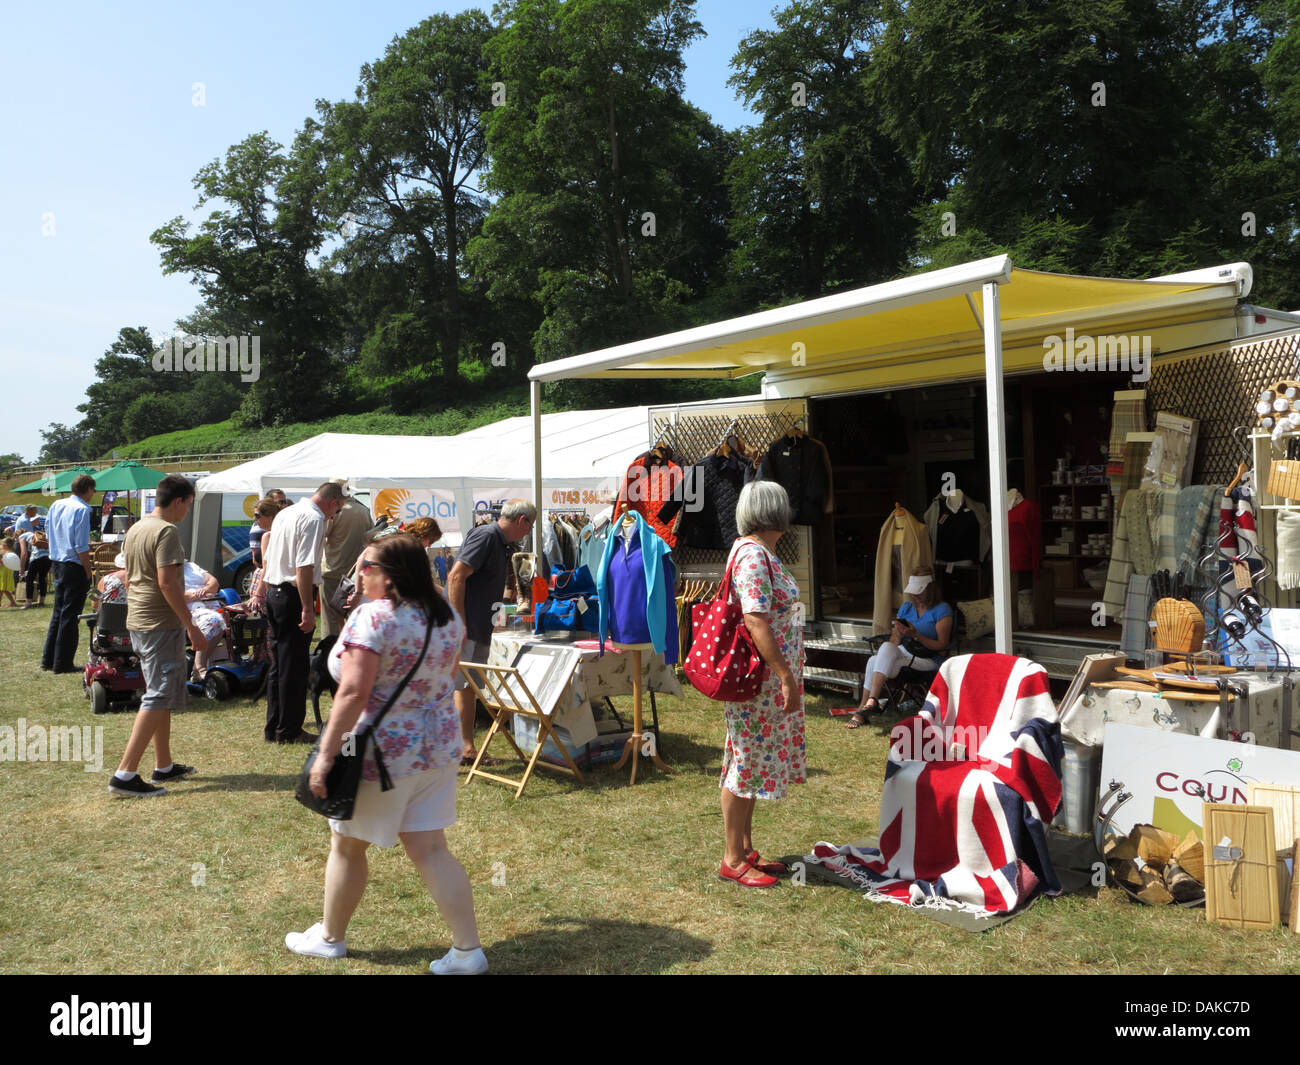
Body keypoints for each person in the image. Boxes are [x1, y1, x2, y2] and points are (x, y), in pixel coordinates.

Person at [285, 534, 487, 974]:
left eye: (366, 566)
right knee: (431, 849)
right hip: (436, 747)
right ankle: (467, 950)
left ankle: (330, 938)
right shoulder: (446, 615)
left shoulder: (373, 617)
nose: (358, 574)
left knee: (346, 845)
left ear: (390, 575)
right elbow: (450, 672)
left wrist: (326, 756)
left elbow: (353, 693)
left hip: (380, 752)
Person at [717, 481, 807, 888]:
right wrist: (785, 675)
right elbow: (756, 621)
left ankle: (745, 849)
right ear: (774, 513)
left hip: (763, 680)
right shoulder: (754, 555)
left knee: (749, 762)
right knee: (744, 763)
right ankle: (732, 858)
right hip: (761, 681)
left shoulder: (756, 551)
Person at [108, 474, 209, 798]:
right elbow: (167, 583)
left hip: (140, 620)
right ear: (178, 501)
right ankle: (125, 774)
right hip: (159, 624)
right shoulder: (167, 531)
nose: (187, 511)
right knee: (158, 694)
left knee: (159, 691)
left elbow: (127, 576)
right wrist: (192, 626)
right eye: (188, 505)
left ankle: (163, 764)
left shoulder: (137, 528)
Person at [446, 499, 536, 765]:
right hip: (465, 628)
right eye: (529, 526)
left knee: (468, 687)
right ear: (522, 520)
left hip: (477, 627)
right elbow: (456, 576)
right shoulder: (486, 536)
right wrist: (458, 623)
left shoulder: (500, 542)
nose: (529, 532)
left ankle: (465, 749)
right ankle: (450, 750)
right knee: (454, 687)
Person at [261, 482, 346, 744]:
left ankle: (275, 726)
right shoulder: (313, 518)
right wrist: (308, 608)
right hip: (291, 595)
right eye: (338, 510)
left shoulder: (286, 512)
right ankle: (289, 730)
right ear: (333, 503)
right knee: (295, 666)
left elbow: (271, 558)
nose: (335, 516)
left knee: (280, 664)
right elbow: (304, 566)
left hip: (275, 592)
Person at [846, 566, 953, 729]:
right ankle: (869, 703)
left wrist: (916, 635)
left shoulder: (942, 609)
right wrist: (899, 633)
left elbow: (942, 645)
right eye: (913, 592)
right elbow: (894, 642)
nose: (915, 595)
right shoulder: (907, 607)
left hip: (928, 658)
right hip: (906, 653)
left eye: (919, 592)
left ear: (931, 589)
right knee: (876, 657)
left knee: (875, 661)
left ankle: (864, 709)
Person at [42, 474, 95, 673]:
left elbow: (47, 532)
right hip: (74, 565)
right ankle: (62, 663)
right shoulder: (82, 509)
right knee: (70, 616)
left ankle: (48, 660)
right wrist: (88, 571)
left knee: (58, 613)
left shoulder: (56, 504)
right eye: (93, 490)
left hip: (57, 562)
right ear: (88, 489)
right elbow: (81, 546)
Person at [321, 482, 372, 638]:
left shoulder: (336, 511)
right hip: (354, 573)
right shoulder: (364, 511)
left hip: (332, 570)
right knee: (353, 615)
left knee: (330, 618)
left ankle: (330, 648)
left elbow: (323, 535)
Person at [182, 560, 229, 678]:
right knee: (214, 620)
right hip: (190, 610)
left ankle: (218, 662)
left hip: (210, 605)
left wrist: (206, 589)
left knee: (228, 619)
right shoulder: (168, 572)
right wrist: (196, 595)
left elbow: (214, 582)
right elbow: (173, 595)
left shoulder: (191, 566)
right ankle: (199, 666)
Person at [249, 489, 288, 568]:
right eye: (280, 502)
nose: (284, 505)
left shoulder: (287, 525)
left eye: (285, 502)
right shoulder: (258, 528)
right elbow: (256, 560)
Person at [19, 523, 51, 609]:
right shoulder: (36, 534)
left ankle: (28, 603)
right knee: (42, 578)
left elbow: (24, 553)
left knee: (29, 579)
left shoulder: (22, 536)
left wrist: (22, 569)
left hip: (36, 558)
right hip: (47, 558)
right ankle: (41, 602)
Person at [405, 517, 443, 586]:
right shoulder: (409, 549)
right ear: (424, 534)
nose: (429, 545)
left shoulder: (403, 540)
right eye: (431, 541)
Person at [0, 537, 18, 608]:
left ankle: (13, 603)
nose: (1, 545)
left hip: (5, 572)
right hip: (4, 571)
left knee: (4, 588)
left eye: (3, 544)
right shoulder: (7, 552)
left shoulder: (8, 553)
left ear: (7, 545)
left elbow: (3, 563)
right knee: (2, 588)